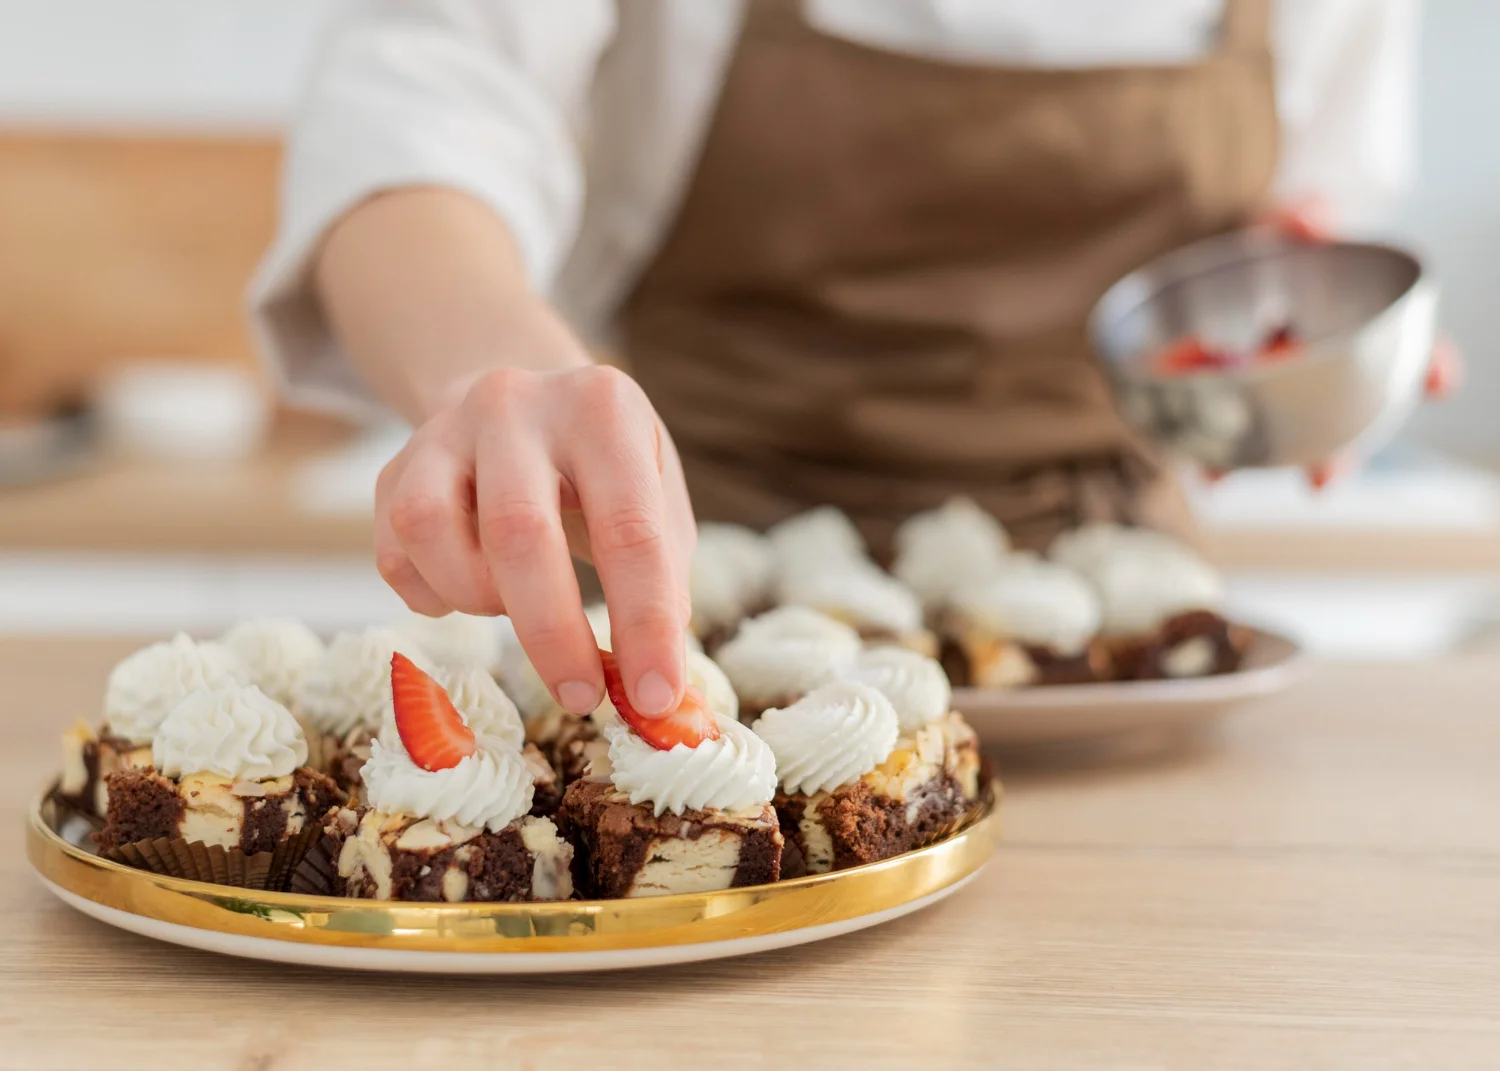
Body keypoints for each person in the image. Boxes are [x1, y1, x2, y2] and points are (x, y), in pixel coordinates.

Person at [253, 0, 1449, 723]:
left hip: (1127, 642)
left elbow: (1301, 208)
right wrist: (486, 375)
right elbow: (423, 101)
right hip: (697, 605)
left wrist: (1289, 335)